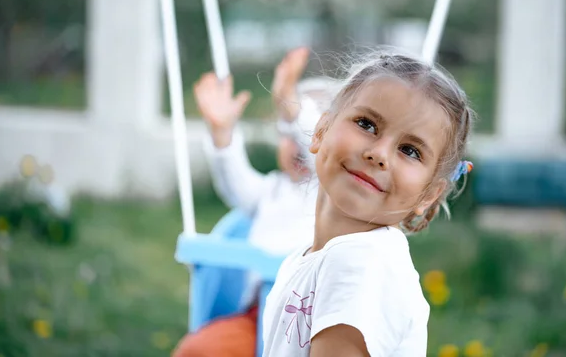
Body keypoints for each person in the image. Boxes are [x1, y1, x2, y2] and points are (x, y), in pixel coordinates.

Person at [262, 53, 475, 356]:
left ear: (428, 195)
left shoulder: (360, 263)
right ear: (321, 131)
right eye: (367, 124)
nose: (380, 154)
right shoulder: (312, 258)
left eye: (410, 151)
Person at [172, 47, 337, 357]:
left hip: (314, 325)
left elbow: (326, 155)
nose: (297, 147)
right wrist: (222, 134)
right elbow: (235, 182)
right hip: (260, 316)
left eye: (302, 134)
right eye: (285, 134)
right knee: (200, 350)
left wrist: (290, 104)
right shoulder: (272, 190)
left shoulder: (333, 196)